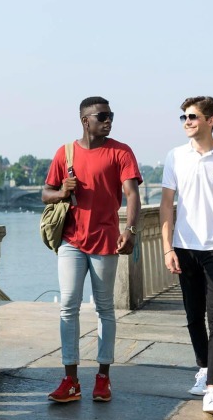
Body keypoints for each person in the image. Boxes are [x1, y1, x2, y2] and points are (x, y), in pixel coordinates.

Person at [42, 96, 142, 404]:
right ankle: (71, 380)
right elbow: (46, 193)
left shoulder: (121, 152)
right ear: (86, 121)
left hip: (105, 241)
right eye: (102, 116)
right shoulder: (66, 152)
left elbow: (131, 193)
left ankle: (103, 378)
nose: (109, 120)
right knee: (68, 307)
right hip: (71, 241)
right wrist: (62, 191)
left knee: (104, 309)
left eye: (111, 115)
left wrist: (131, 229)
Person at [159, 95, 213, 417]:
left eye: (192, 116)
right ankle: (202, 367)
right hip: (184, 248)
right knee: (194, 316)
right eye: (183, 117)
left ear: (210, 120)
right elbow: (167, 205)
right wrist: (167, 247)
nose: (187, 122)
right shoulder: (175, 157)